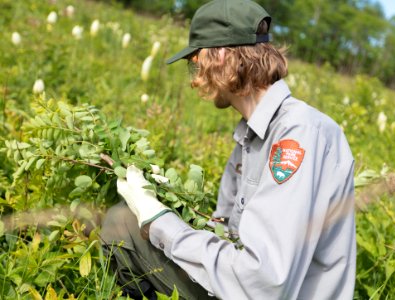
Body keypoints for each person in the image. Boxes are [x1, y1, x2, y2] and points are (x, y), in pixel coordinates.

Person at [100, 0, 356, 299]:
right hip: (250, 286)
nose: (195, 80)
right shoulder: (252, 136)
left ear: (220, 56)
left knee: (124, 222)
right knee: (128, 215)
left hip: (266, 292)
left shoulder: (297, 135)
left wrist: (158, 221)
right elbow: (230, 234)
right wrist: (170, 204)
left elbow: (264, 282)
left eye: (195, 62)